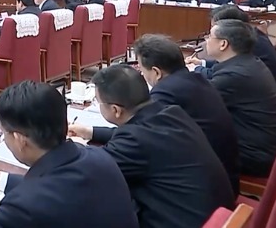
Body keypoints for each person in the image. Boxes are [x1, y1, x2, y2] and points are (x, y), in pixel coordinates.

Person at [0, 81, 139, 228]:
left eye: (3, 134)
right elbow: (61, 190)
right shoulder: (100, 158)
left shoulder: (26, 204)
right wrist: (3, 180)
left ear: (20, 139)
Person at [69, 64, 235, 228]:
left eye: (99, 102)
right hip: (217, 214)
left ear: (115, 110)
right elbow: (139, 136)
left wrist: (72, 146)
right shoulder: (171, 113)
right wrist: (90, 132)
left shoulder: (134, 140)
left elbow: (94, 169)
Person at [133, 34, 239, 193]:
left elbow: (139, 135)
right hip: (224, 176)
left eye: (141, 69)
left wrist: (96, 132)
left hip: (204, 188)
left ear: (156, 72)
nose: (142, 74)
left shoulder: (165, 92)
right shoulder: (195, 79)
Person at [201, 19, 276, 177]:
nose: (206, 40)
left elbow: (195, 101)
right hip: (260, 148)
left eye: (209, 36)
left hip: (251, 156)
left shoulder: (234, 75)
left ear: (223, 44)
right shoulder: (248, 63)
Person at [187, 4, 276, 81]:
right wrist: (202, 63)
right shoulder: (248, 34)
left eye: (214, 27)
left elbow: (223, 75)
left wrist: (195, 69)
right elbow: (226, 65)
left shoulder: (251, 41)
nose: (211, 31)